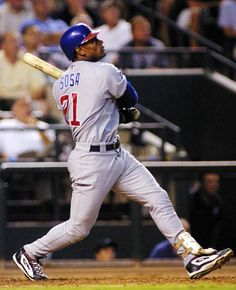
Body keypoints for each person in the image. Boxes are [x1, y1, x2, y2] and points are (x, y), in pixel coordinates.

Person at [12, 23, 233, 281]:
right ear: (80, 51)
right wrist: (124, 111)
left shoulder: (59, 85)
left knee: (158, 198)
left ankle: (192, 256)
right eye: (92, 41)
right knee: (79, 228)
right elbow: (131, 98)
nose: (99, 43)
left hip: (117, 154)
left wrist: (118, 113)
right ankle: (29, 253)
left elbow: (96, 107)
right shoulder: (105, 71)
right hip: (91, 160)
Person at [0, 31, 48, 111]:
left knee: (43, 106)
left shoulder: (29, 59)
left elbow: (40, 87)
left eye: (18, 41)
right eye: (12, 41)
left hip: (26, 101)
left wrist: (27, 99)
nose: (16, 45)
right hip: (2, 100)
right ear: (2, 45)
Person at [188, 172, 223, 248]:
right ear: (203, 184)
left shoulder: (218, 201)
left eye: (216, 182)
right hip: (194, 244)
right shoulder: (193, 200)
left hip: (213, 244)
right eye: (210, 182)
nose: (213, 185)